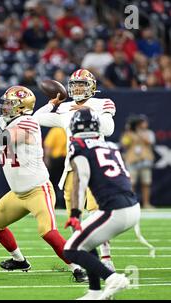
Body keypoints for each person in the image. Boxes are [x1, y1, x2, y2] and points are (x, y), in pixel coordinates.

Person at [0, 86, 87, 282]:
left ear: (22, 107)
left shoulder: (28, 122)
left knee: (47, 231)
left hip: (38, 190)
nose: (4, 106)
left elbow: (0, 138)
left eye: (10, 103)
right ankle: (20, 261)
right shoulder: (6, 120)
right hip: (17, 193)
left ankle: (79, 268)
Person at [33, 69, 116, 271]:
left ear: (92, 88)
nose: (78, 88)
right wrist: (52, 104)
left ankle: (106, 258)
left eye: (82, 84)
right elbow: (36, 119)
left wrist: (88, 111)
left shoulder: (101, 103)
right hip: (72, 167)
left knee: (97, 212)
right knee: (74, 216)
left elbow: (108, 129)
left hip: (95, 164)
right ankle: (83, 258)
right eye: (75, 85)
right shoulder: (65, 108)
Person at [63, 108, 141, 300]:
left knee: (71, 249)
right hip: (132, 205)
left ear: (74, 127)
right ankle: (95, 292)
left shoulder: (79, 147)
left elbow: (80, 182)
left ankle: (113, 278)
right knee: (87, 242)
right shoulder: (111, 146)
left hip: (115, 210)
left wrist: (74, 214)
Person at [121, 115, 156, 209]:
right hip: (132, 161)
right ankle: (132, 204)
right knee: (131, 183)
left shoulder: (149, 133)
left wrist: (139, 132)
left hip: (145, 161)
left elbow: (150, 142)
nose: (141, 125)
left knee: (146, 183)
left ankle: (146, 203)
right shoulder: (128, 133)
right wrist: (129, 131)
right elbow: (124, 144)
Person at [43, 127, 67, 208]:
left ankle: (55, 203)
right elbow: (48, 146)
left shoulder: (56, 130)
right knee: (62, 183)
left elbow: (48, 146)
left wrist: (47, 159)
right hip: (62, 160)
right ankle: (59, 204)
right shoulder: (65, 130)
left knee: (55, 183)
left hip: (58, 160)